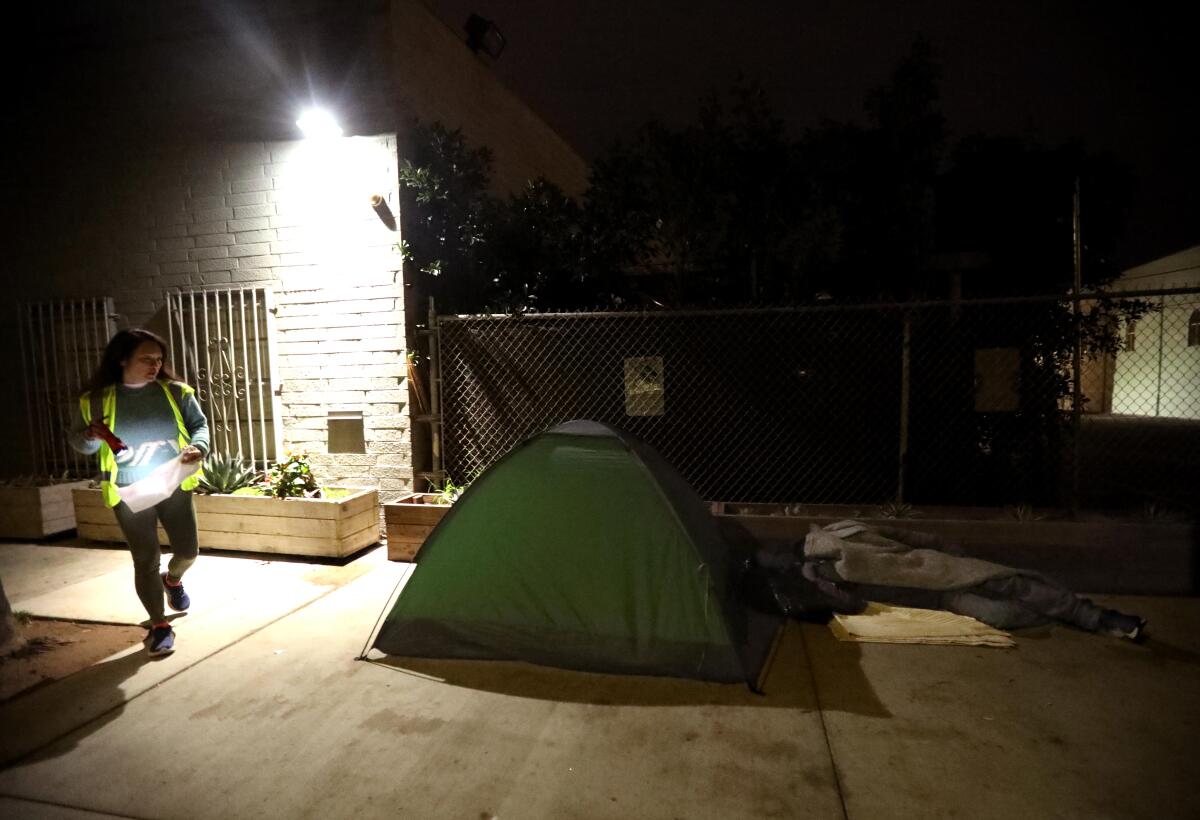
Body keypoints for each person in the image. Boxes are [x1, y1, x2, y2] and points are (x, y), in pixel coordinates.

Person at [751, 520, 1147, 640]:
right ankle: (1060, 609)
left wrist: (950, 553)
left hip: (934, 568)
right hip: (934, 598)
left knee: (1009, 583)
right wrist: (821, 583)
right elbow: (853, 605)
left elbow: (907, 537)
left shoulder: (846, 530)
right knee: (1004, 616)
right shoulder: (821, 582)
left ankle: (1096, 617)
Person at [69, 328, 209, 657]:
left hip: (173, 482)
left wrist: (199, 446)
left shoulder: (175, 392)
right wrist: (91, 436)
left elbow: (199, 426)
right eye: (146, 359)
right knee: (145, 559)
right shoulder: (96, 400)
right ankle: (159, 626)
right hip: (129, 488)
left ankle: (172, 579)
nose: (155, 365)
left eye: (159, 360)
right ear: (122, 360)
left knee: (188, 551)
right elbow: (80, 443)